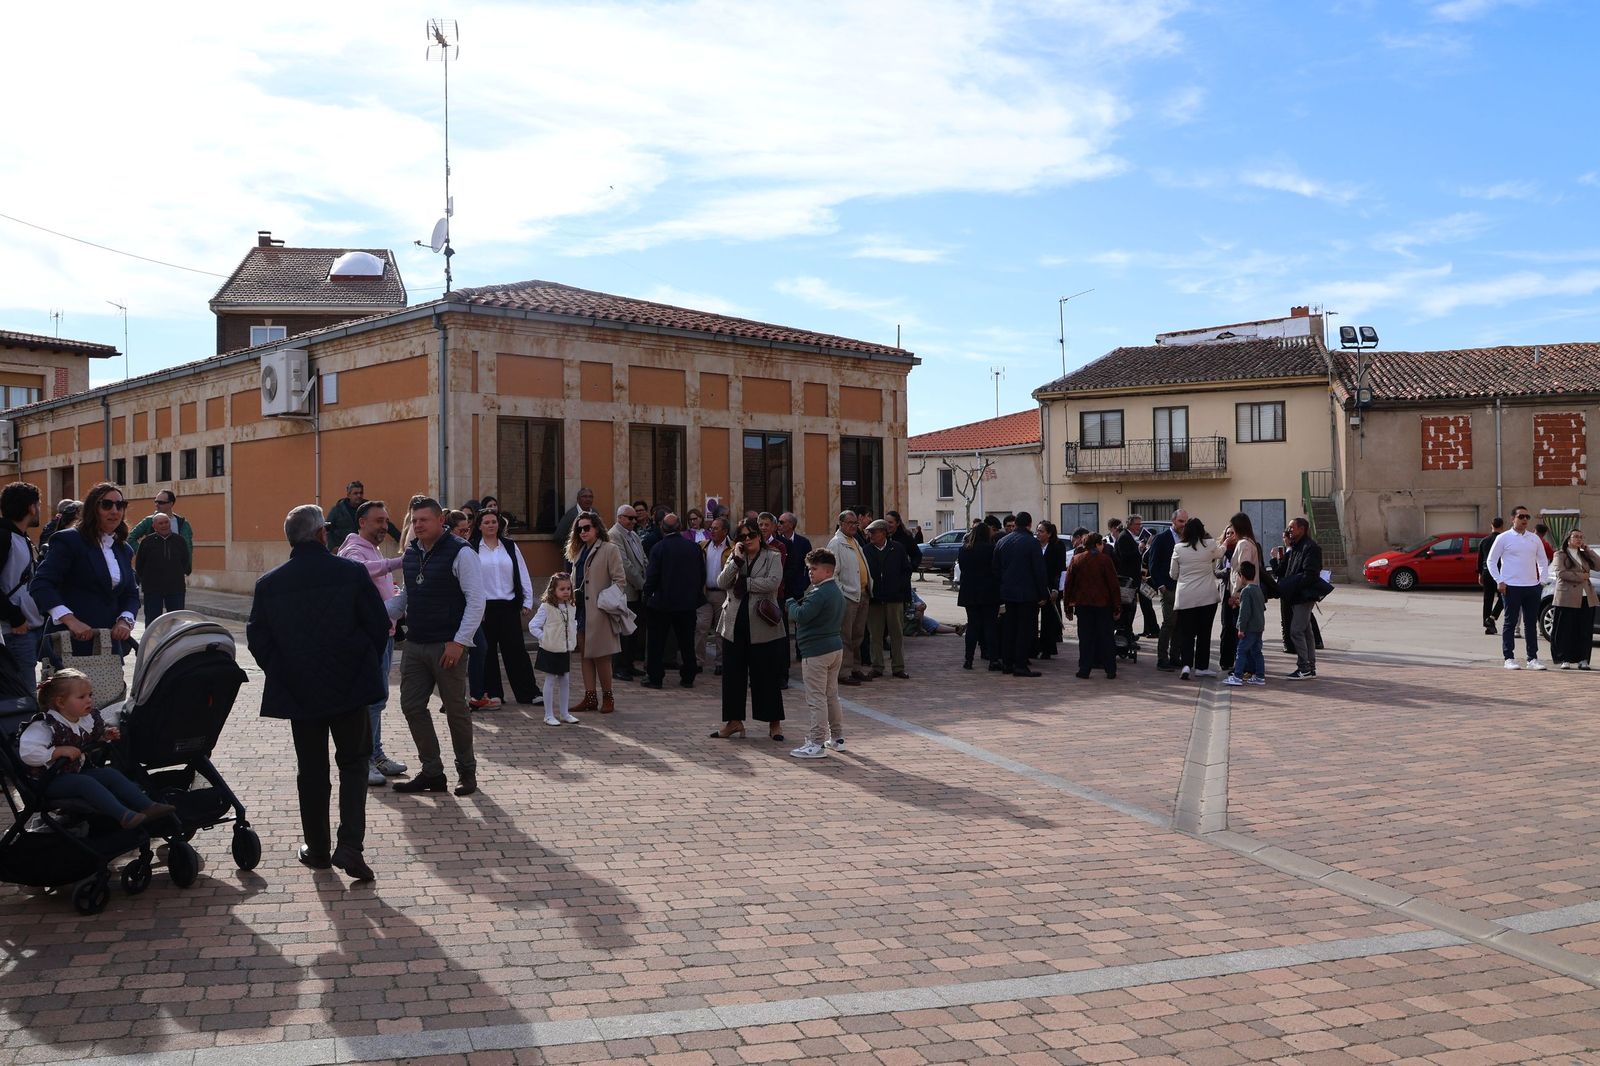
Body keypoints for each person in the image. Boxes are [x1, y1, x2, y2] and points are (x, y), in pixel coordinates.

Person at [247, 504, 389, 880]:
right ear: (322, 534)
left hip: (301, 691)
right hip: (349, 686)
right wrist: (361, 661)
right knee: (354, 764)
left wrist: (285, 671)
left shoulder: (270, 583)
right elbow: (377, 625)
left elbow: (259, 641)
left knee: (312, 771)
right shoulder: (351, 572)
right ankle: (349, 845)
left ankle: (319, 848)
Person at [392, 497, 486, 796]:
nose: (417, 525)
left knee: (457, 711)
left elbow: (476, 600)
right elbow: (407, 596)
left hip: (448, 646)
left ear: (439, 522)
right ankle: (432, 771)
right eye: (414, 520)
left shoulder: (461, 552)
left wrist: (459, 642)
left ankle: (467, 773)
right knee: (411, 705)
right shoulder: (411, 553)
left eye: (424, 520)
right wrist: (372, 613)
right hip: (416, 644)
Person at [20, 669, 175, 829]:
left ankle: (148, 806)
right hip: (48, 781)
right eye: (82, 697)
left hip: (72, 773)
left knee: (109, 774)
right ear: (60, 702)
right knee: (85, 783)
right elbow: (28, 752)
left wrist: (104, 735)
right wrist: (56, 752)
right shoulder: (46, 725)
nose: (89, 700)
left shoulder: (82, 720)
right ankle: (124, 815)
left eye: (90, 695)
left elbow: (89, 737)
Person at [336, 499, 409, 786]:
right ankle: (365, 758)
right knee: (371, 700)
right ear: (362, 522)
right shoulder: (354, 548)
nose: (384, 526)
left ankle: (375, 754)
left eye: (385, 520)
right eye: (378, 520)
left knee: (378, 699)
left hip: (384, 634)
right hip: (369, 638)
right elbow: (358, 570)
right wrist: (400, 561)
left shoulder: (372, 548)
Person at [30, 482, 138, 658]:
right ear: (92, 509)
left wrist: (125, 620)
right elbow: (41, 584)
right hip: (69, 644)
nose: (115, 511)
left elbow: (131, 594)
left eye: (120, 505)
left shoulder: (123, 549)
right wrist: (70, 620)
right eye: (107, 504)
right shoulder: (69, 540)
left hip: (108, 646)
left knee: (112, 687)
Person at [711, 518, 786, 740]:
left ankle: (774, 724)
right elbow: (722, 582)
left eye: (751, 535)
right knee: (732, 676)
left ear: (760, 536)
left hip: (762, 624)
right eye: (742, 537)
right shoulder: (735, 557)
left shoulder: (772, 556)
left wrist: (748, 584)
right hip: (734, 623)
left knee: (766, 676)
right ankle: (734, 723)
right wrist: (736, 561)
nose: (747, 540)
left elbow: (773, 582)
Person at [470, 509, 539, 706]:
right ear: (479, 526)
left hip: (509, 606)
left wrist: (527, 601)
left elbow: (522, 572)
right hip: (484, 609)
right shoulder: (473, 548)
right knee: (488, 652)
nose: (491, 525)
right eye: (486, 522)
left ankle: (528, 693)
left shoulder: (509, 546)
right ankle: (494, 694)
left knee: (516, 651)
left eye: (494, 522)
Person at [565, 509, 627, 714]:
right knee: (585, 655)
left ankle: (608, 696)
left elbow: (620, 581)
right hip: (581, 610)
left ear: (596, 529)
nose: (582, 532)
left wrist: (603, 600)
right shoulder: (578, 551)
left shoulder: (609, 549)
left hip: (599, 610)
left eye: (586, 528)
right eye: (579, 529)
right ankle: (589, 696)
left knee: (602, 656)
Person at [787, 548, 846, 759]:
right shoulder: (835, 590)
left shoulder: (820, 593)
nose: (810, 572)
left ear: (828, 572)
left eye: (814, 569)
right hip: (834, 647)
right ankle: (837, 738)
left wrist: (791, 603)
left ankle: (816, 742)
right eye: (809, 569)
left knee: (816, 698)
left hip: (817, 651)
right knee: (831, 695)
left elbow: (801, 616)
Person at [641, 513, 703, 689]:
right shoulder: (693, 548)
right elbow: (701, 574)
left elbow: (652, 576)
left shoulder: (658, 548)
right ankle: (688, 676)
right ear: (680, 527)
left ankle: (655, 677)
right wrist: (695, 594)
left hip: (662, 603)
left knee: (656, 643)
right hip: (686, 603)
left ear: (662, 528)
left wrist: (647, 594)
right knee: (686, 643)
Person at [1486, 507, 1546, 671]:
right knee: (1510, 622)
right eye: (1521, 516)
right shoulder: (1503, 538)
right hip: (1511, 587)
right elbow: (1491, 561)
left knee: (1531, 624)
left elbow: (1542, 560)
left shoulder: (1534, 539)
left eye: (1527, 516)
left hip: (1532, 587)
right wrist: (1500, 581)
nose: (1525, 519)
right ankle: (1509, 658)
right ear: (1513, 518)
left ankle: (1532, 658)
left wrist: (1542, 580)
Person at [1170, 517, 1225, 681]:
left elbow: (1172, 574)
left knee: (1186, 633)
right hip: (1207, 596)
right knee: (1204, 633)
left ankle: (1186, 665)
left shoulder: (1178, 547)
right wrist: (1226, 541)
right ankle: (1202, 667)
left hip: (1186, 597)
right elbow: (1221, 552)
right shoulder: (1209, 545)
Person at [994, 510, 1047, 677]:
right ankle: (1020, 665)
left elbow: (995, 569)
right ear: (1030, 525)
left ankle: (1007, 663)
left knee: (1009, 628)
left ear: (1015, 524)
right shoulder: (1032, 543)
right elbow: (1039, 571)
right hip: (1027, 593)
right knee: (1025, 630)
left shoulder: (1002, 542)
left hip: (1007, 592)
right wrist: (1042, 593)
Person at [0, 482, 44, 681]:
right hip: (13, 631)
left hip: (23, 629)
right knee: (23, 701)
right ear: (31, 507)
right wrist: (15, 617)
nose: (39, 510)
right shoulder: (5, 537)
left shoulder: (20, 537)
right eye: (39, 504)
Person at [1063, 531, 1120, 679]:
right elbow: (1113, 585)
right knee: (1106, 637)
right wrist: (1117, 606)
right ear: (1097, 544)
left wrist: (1068, 606)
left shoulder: (1076, 559)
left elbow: (1068, 584)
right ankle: (1110, 669)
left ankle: (1084, 668)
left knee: (1085, 638)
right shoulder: (1105, 560)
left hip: (1083, 604)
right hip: (1103, 604)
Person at [1276, 517, 1326, 680]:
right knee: (1306, 631)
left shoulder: (1311, 548)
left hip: (1303, 596)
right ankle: (1309, 668)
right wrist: (1287, 548)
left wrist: (1293, 586)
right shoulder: (1295, 547)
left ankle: (1304, 667)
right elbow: (1281, 570)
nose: (1288, 531)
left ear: (1302, 529)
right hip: (1295, 595)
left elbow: (1310, 574)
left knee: (1296, 631)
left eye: (1292, 528)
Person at [863, 519, 912, 679]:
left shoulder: (897, 548)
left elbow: (906, 571)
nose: (870, 535)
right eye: (869, 532)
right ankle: (877, 666)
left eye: (874, 532)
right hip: (875, 599)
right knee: (875, 634)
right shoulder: (866, 550)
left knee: (896, 633)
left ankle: (898, 667)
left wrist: (899, 588)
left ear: (883, 533)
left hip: (894, 599)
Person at [529, 574, 582, 724]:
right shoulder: (546, 607)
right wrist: (545, 638)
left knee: (565, 679)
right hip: (550, 649)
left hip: (564, 650)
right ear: (553, 590)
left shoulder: (571, 607)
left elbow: (573, 624)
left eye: (568, 588)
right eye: (562, 589)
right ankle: (548, 715)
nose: (566, 592)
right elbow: (533, 626)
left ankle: (565, 713)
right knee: (550, 680)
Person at [826, 512, 871, 686]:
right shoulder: (836, 543)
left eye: (855, 523)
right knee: (845, 635)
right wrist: (841, 594)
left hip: (862, 594)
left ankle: (855, 668)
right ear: (841, 524)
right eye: (850, 523)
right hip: (848, 596)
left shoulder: (855, 541)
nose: (853, 526)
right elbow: (833, 573)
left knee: (858, 635)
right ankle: (844, 672)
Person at [1219, 513, 1262, 674]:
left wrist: (1235, 594)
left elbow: (1242, 571)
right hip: (1248, 591)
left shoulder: (1244, 544)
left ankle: (1244, 667)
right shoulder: (1250, 542)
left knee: (1242, 632)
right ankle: (1249, 667)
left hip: (1242, 593)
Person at [1550, 527, 1598, 670]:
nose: (1578, 539)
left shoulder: (1584, 555)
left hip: (1586, 597)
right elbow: (1561, 573)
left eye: (1581, 537)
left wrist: (1588, 550)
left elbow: (1599, 565)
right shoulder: (1560, 554)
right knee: (1566, 629)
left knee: (1584, 630)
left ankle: (1583, 659)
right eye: (1576, 536)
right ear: (1568, 539)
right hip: (1567, 597)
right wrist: (1582, 576)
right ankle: (1564, 658)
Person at [132, 512, 190, 625]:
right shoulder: (146, 542)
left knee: (176, 620)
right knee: (152, 621)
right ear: (154, 526)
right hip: (152, 589)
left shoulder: (180, 541)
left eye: (166, 522)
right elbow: (139, 565)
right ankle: (151, 642)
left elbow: (185, 562)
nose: (164, 525)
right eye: (161, 523)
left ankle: (175, 642)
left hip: (175, 587)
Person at [1146, 509, 1187, 671]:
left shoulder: (1187, 540)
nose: (1183, 525)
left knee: (1180, 624)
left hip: (1183, 587)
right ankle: (1162, 659)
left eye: (1185, 521)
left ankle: (1175, 657)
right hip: (1168, 588)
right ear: (1173, 522)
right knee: (1169, 623)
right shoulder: (1161, 539)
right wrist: (1160, 585)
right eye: (1181, 521)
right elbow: (1153, 563)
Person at [956, 521, 999, 670]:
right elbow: (996, 570)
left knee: (973, 626)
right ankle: (993, 659)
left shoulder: (964, 550)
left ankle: (968, 659)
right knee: (990, 626)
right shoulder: (992, 549)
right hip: (989, 592)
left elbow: (962, 569)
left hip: (969, 592)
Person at [696, 517, 733, 678]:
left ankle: (721, 663)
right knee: (700, 627)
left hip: (722, 593)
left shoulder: (732, 549)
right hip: (705, 593)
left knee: (721, 631)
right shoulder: (703, 546)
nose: (712, 531)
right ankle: (697, 661)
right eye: (711, 528)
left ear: (725, 531)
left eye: (716, 528)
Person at [1226, 560, 1267, 687]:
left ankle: (1237, 676)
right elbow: (1260, 607)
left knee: (1241, 651)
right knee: (1257, 651)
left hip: (1249, 627)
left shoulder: (1246, 591)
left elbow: (1244, 612)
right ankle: (1260, 676)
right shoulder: (1258, 589)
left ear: (1242, 576)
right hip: (1259, 626)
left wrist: (1241, 628)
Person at [326, 481, 400, 548]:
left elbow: (385, 523)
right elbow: (327, 529)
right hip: (343, 548)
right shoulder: (337, 509)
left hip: (364, 547)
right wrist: (332, 547)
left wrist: (400, 539)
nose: (359, 495)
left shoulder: (368, 508)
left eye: (361, 493)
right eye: (355, 493)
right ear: (348, 495)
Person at [127, 489, 196, 557]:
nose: (157, 505)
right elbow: (130, 538)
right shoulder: (149, 521)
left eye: (161, 502)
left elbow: (188, 548)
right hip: (154, 565)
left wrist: (186, 567)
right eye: (156, 502)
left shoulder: (182, 524)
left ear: (171, 504)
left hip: (176, 566)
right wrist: (145, 553)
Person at [1036, 521, 1067, 659]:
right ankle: (1033, 647)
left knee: (1048, 618)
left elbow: (1060, 569)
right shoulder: (1034, 545)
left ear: (1049, 533)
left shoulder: (1057, 546)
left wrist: (1056, 589)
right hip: (1035, 586)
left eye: (1041, 531)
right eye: (1037, 530)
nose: (1038, 533)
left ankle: (1047, 648)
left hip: (1051, 586)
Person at [1111, 517, 1143, 643]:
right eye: (1137, 524)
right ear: (1129, 525)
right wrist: (1139, 550)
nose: (1139, 527)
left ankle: (1127, 634)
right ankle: (1124, 635)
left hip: (1131, 579)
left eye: (1140, 524)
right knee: (1127, 610)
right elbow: (1124, 557)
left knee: (1130, 609)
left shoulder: (1127, 536)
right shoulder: (1124, 536)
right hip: (1126, 580)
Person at [1478, 516, 1506, 635]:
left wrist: (1480, 574)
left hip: (1486, 572)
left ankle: (1488, 624)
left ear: (1491, 525)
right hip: (1500, 572)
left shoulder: (1484, 540)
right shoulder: (1503, 540)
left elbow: (1480, 559)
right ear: (1502, 526)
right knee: (1504, 597)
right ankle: (1492, 617)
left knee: (1487, 598)